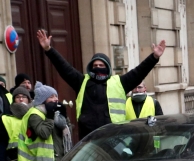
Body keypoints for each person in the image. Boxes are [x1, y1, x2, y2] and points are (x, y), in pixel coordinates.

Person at [36, 29, 165, 139]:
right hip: (88, 137)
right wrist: (48, 49)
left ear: (107, 67)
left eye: (101, 65)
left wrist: (154, 57)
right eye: (95, 65)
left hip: (113, 135)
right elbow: (64, 68)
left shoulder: (119, 83)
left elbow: (139, 72)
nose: (98, 67)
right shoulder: (82, 82)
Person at [16, 84, 71, 161]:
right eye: (51, 97)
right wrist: (50, 117)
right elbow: (43, 133)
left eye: (56, 96)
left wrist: (64, 117)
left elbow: (66, 135)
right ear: (42, 100)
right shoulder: (35, 114)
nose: (55, 100)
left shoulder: (55, 113)